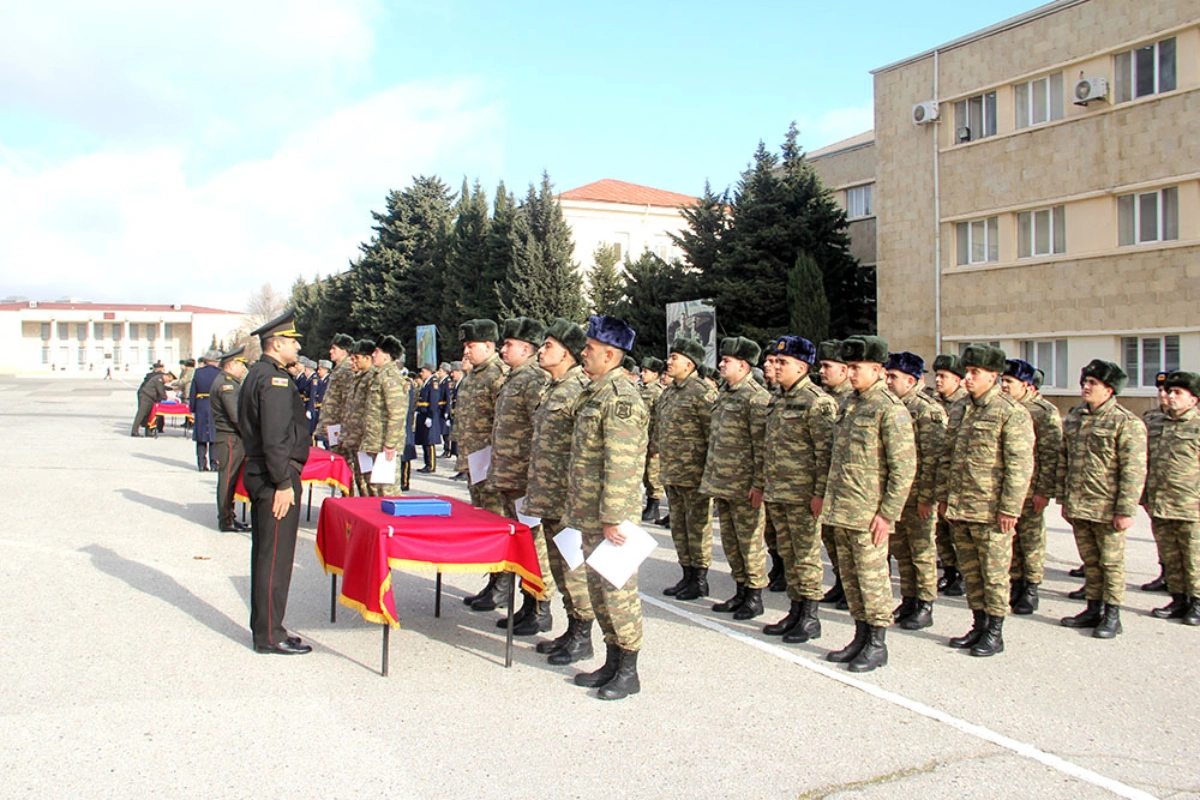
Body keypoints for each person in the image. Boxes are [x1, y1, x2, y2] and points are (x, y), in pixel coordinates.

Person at [565, 315, 648, 700]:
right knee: (599, 591)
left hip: (609, 515)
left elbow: (622, 461)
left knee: (617, 590)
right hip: (590, 510)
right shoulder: (595, 391)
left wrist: (614, 516)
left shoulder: (620, 399)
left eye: (590, 349)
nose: (583, 353)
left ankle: (628, 670)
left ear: (611, 355)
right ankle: (612, 660)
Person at [821, 336, 915, 672]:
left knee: (873, 580)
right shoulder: (851, 403)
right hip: (842, 509)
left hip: (868, 514)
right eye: (848, 367)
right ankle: (860, 636)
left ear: (877, 370)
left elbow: (904, 467)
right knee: (851, 579)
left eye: (857, 368)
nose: (851, 373)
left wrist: (887, 514)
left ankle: (877, 644)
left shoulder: (889, 409)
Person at [937, 345, 1034, 657]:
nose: (967, 378)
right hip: (961, 507)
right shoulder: (961, 408)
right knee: (972, 572)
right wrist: (944, 497)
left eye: (974, 373)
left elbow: (1019, 466)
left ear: (993, 376)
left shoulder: (1010, 413)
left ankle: (994, 631)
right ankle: (978, 624)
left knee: (993, 575)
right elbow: (947, 457)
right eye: (966, 372)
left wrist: (1009, 508)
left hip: (991, 510)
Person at [238, 309, 311, 655]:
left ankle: (270, 627)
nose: (298, 347)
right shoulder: (274, 381)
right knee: (274, 558)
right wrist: (283, 482)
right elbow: (275, 437)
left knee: (270, 554)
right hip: (273, 480)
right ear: (277, 343)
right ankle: (269, 635)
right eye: (293, 342)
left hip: (264, 474)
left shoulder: (259, 374)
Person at [1057, 360, 1147, 638]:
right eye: (1085, 382)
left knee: (1111, 563)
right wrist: (1063, 499)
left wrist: (1125, 509)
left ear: (1109, 390)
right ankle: (1092, 607)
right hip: (1079, 504)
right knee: (1090, 561)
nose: (1086, 387)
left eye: (1093, 383)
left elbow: (1134, 470)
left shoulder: (1126, 423)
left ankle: (1112, 614)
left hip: (1107, 507)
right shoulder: (1075, 418)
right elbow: (1064, 459)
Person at [760, 336, 837, 642]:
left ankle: (810, 616)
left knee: (805, 556)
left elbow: (825, 453)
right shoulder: (778, 398)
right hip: (779, 492)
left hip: (804, 496)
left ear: (802, 367)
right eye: (775, 362)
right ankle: (795, 610)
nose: (775, 367)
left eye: (783, 363)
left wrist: (819, 494)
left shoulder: (818, 402)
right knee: (788, 554)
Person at [526, 319, 594, 663]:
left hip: (568, 500)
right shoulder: (552, 387)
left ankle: (583, 635)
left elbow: (586, 450)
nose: (541, 350)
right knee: (558, 567)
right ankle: (571, 628)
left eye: (548, 346)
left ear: (567, 353)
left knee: (573, 568)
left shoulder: (579, 390)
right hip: (549, 497)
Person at [486, 318, 552, 633]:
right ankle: (528, 604)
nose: (503, 348)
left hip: (525, 477)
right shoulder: (514, 378)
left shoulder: (533, 380)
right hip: (510, 477)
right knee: (522, 543)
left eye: (508, 344)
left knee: (535, 543)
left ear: (525, 348)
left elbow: (541, 430)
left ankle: (541, 607)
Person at [701, 337, 771, 620]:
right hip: (724, 484)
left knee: (750, 542)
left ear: (743, 365)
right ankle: (741, 589)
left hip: (745, 487)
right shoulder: (726, 394)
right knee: (730, 541)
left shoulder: (756, 398)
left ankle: (755, 595)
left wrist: (759, 484)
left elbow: (763, 446)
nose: (720, 365)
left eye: (726, 361)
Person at [884, 351, 947, 631]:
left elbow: (933, 459)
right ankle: (909, 598)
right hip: (898, 496)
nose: (887, 381)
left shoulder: (926, 410)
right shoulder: (891, 406)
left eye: (893, 377)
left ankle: (925, 603)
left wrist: (927, 498)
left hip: (918, 495)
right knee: (902, 550)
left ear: (911, 381)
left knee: (921, 550)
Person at [654, 334, 717, 600]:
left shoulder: (702, 393)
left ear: (689, 365)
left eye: (675, 358)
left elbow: (712, 435)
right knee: (679, 527)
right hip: (672, 472)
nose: (669, 362)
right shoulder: (669, 392)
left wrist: (708, 474)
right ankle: (686, 575)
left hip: (694, 475)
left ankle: (700, 580)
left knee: (697, 528)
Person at [455, 320, 511, 610]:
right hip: (473, 463)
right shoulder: (473, 376)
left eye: (471, 345)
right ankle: (493, 582)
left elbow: (502, 423)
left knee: (496, 524)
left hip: (489, 465)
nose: (466, 351)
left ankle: (502, 586)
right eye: (465, 346)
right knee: (483, 523)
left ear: (489, 346)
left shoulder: (498, 376)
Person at [1000, 358, 1062, 615]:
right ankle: (1015, 583)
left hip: (1032, 487)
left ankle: (1032, 587)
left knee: (1031, 539)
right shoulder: (1003, 408)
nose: (1004, 386)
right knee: (1010, 539)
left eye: (1009, 382)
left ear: (1026, 385)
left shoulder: (1043, 412)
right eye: (1002, 381)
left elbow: (1051, 455)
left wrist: (1043, 491)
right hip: (1008, 488)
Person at [1144, 370, 1200, 625]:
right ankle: (1178, 599)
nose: (1170, 396)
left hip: (1191, 505)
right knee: (1171, 555)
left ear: (1194, 400)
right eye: (1169, 391)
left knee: (1193, 556)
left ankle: (1197, 602)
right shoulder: (1156, 423)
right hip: (1161, 502)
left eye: (1178, 393)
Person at [817, 339, 852, 609]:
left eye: (828, 366)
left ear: (844, 370)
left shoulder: (851, 400)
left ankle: (850, 589)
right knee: (832, 539)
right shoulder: (827, 398)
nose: (821, 371)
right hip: (827, 483)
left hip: (847, 489)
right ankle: (841, 583)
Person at [932, 354, 969, 596]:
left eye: (943, 376)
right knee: (940, 533)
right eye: (936, 375)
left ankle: (964, 574)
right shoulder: (933, 403)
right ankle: (949, 571)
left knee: (958, 532)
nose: (937, 380)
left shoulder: (965, 406)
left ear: (958, 380)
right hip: (937, 476)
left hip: (958, 480)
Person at [358, 336, 409, 496]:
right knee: (375, 491)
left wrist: (390, 444)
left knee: (387, 492)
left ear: (386, 356)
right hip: (374, 442)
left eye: (377, 352)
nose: (373, 355)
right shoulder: (378, 376)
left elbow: (397, 413)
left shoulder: (390, 377)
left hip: (384, 446)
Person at [210, 346, 250, 532]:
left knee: (231, 479)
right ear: (231, 365)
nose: (243, 370)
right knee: (228, 479)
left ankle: (229, 516)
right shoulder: (227, 385)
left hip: (230, 437)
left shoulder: (229, 382)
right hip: (230, 438)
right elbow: (236, 417)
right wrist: (251, 435)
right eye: (241, 366)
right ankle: (225, 519)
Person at [1140, 371, 1173, 593]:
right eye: (1160, 390)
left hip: (1186, 492)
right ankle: (1166, 573)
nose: (1163, 395)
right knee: (1162, 535)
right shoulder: (1151, 419)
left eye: (1168, 391)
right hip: (1155, 488)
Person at [315, 333, 355, 452]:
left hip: (340, 425)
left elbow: (348, 401)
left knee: (341, 457)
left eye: (334, 349)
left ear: (343, 352)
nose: (330, 351)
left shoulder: (346, 370)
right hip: (334, 425)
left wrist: (343, 427)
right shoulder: (339, 370)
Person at [639, 356, 666, 523]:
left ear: (655, 375)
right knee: (644, 473)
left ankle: (654, 505)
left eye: (646, 371)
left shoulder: (658, 392)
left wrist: (655, 443)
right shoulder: (641, 389)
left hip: (652, 439)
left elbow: (660, 420)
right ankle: (649, 504)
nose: (642, 374)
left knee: (652, 473)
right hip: (641, 438)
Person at [190, 351, 222, 471]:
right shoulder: (219, 373)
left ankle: (202, 464)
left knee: (201, 436)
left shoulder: (198, 373)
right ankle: (215, 463)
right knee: (214, 436)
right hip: (215, 405)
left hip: (201, 405)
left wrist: (193, 408)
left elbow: (193, 392)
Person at [414, 362, 443, 473]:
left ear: (429, 371)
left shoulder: (433, 383)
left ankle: (431, 465)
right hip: (423, 414)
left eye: (423, 371)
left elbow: (434, 401)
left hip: (428, 415)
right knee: (424, 440)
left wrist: (430, 416)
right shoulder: (426, 383)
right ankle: (426, 463)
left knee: (429, 441)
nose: (421, 373)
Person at [130, 361, 169, 437]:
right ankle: (134, 431)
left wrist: (170, 389)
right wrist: (166, 398)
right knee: (141, 413)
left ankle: (148, 431)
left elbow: (160, 386)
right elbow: (160, 388)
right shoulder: (158, 377)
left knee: (150, 414)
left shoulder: (151, 375)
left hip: (150, 396)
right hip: (146, 396)